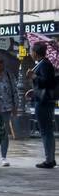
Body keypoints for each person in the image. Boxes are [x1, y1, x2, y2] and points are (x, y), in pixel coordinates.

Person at [26, 40, 57, 169]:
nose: (30, 53)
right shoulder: (42, 64)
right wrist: (34, 90)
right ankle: (50, 158)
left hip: (43, 102)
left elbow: (47, 82)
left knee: (45, 131)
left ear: (35, 52)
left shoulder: (44, 64)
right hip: (43, 100)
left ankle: (49, 159)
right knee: (46, 130)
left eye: (31, 50)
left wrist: (34, 77)